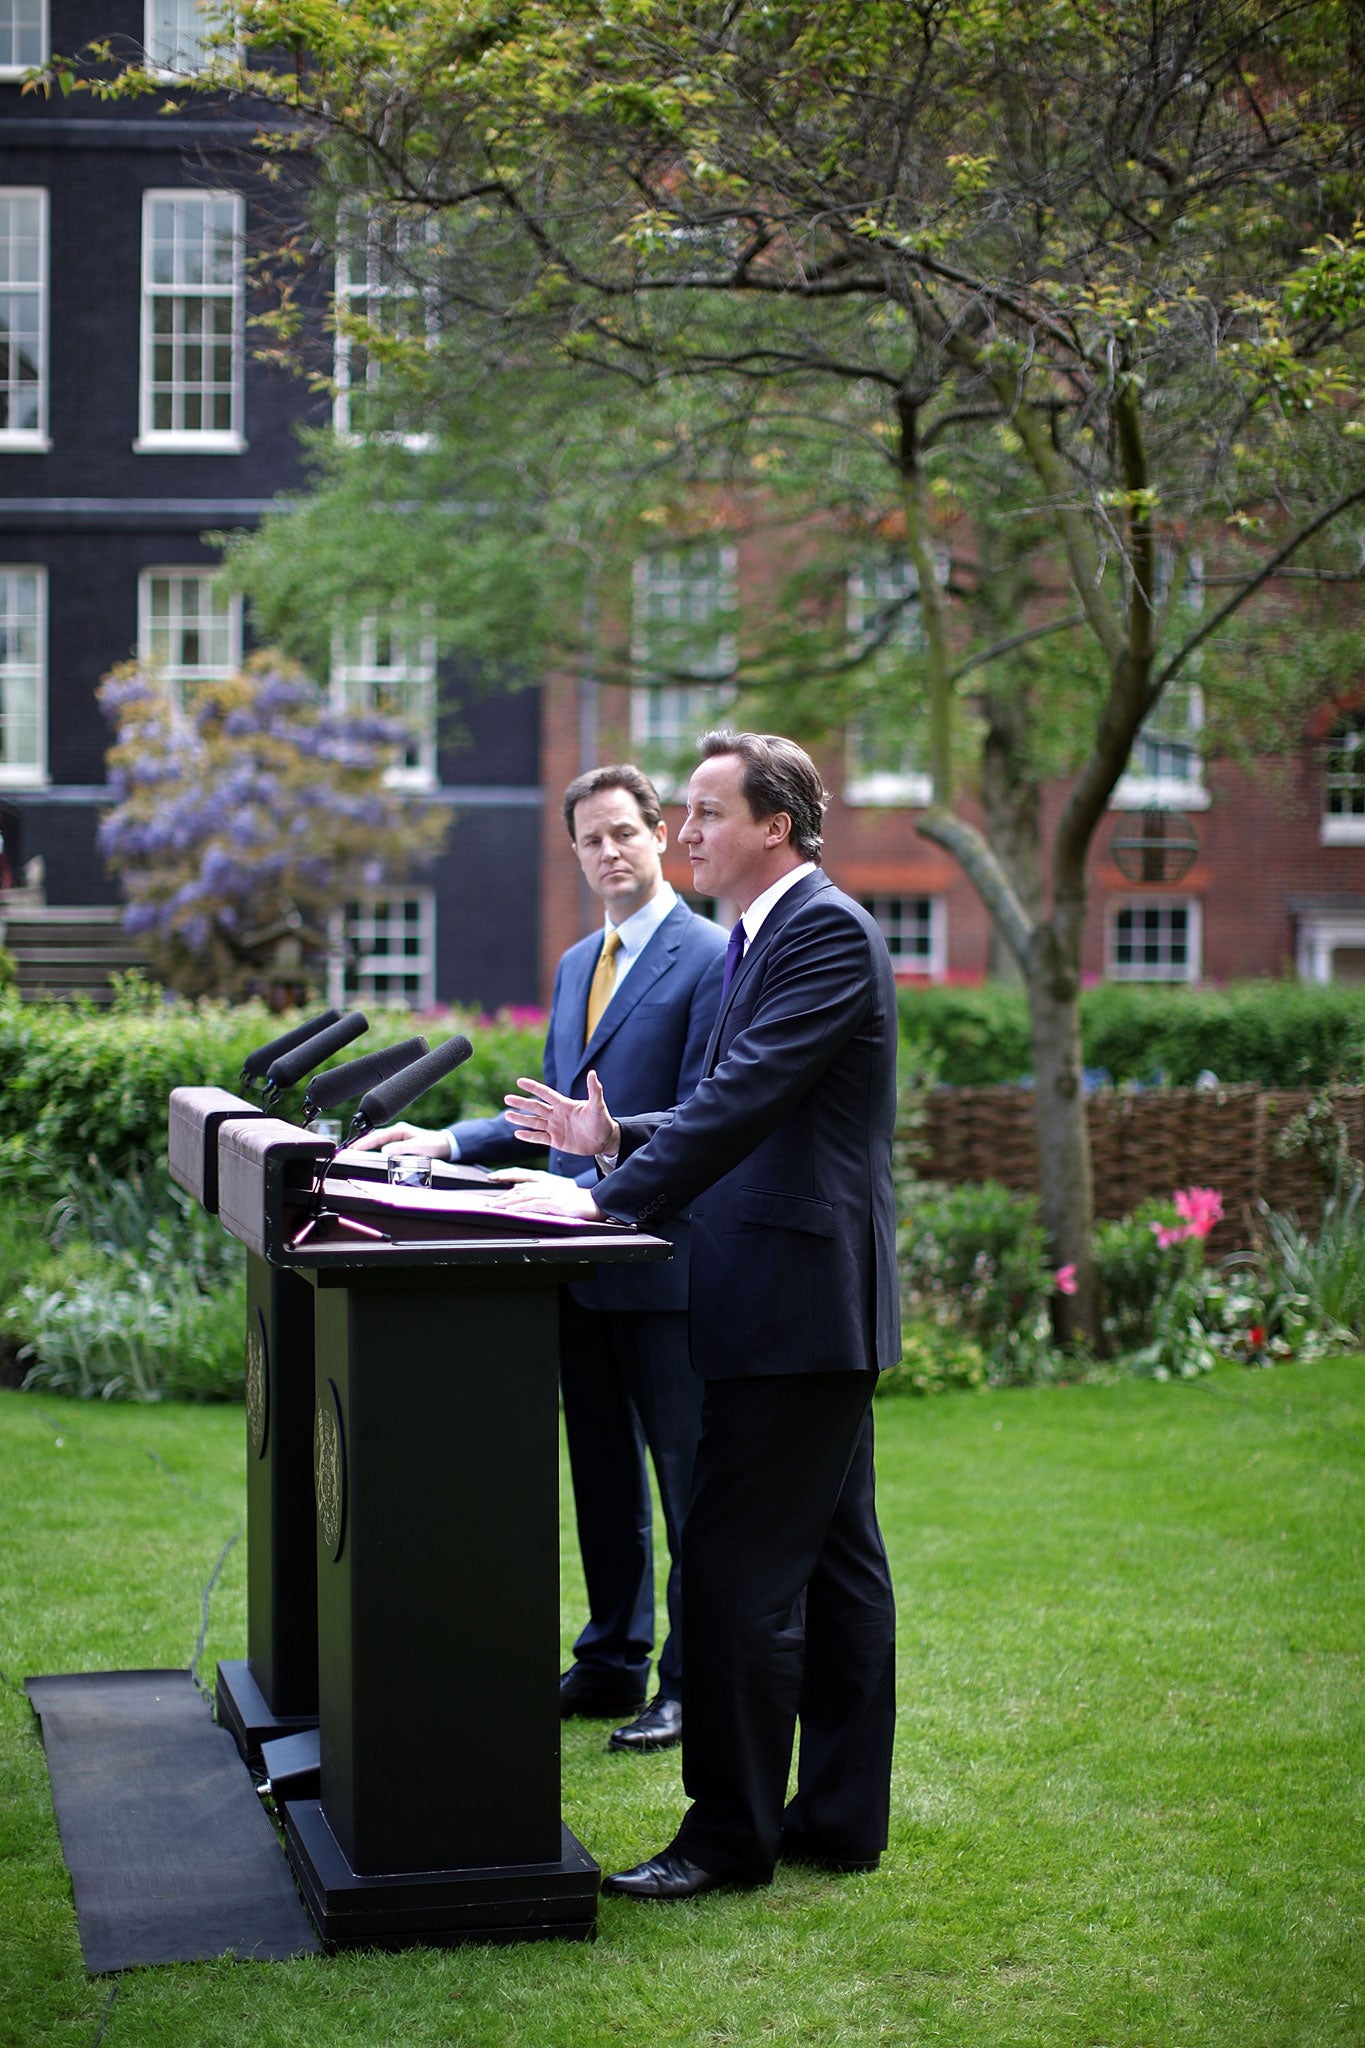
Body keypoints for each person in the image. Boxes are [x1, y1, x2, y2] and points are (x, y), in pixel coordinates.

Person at [491, 730, 899, 1900]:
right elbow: (726, 1108)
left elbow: (743, 1103)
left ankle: (727, 1838)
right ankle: (837, 1820)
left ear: (776, 823)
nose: (684, 833)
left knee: (726, 1574)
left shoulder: (820, 930)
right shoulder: (758, 941)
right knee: (837, 1566)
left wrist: (599, 1203)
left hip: (795, 1308)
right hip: (799, 1305)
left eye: (707, 813)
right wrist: (610, 1137)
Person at [354, 764, 727, 1753]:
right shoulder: (575, 964)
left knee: (683, 1485)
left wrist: (608, 1165)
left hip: (663, 1263)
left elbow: (705, 1119)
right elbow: (558, 1117)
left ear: (660, 833)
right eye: (591, 839)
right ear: (575, 853)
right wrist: (452, 1142)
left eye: (623, 832)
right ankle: (610, 1659)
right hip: (567, 1264)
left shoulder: (711, 956)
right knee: (600, 1476)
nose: (609, 852)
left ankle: (690, 1682)